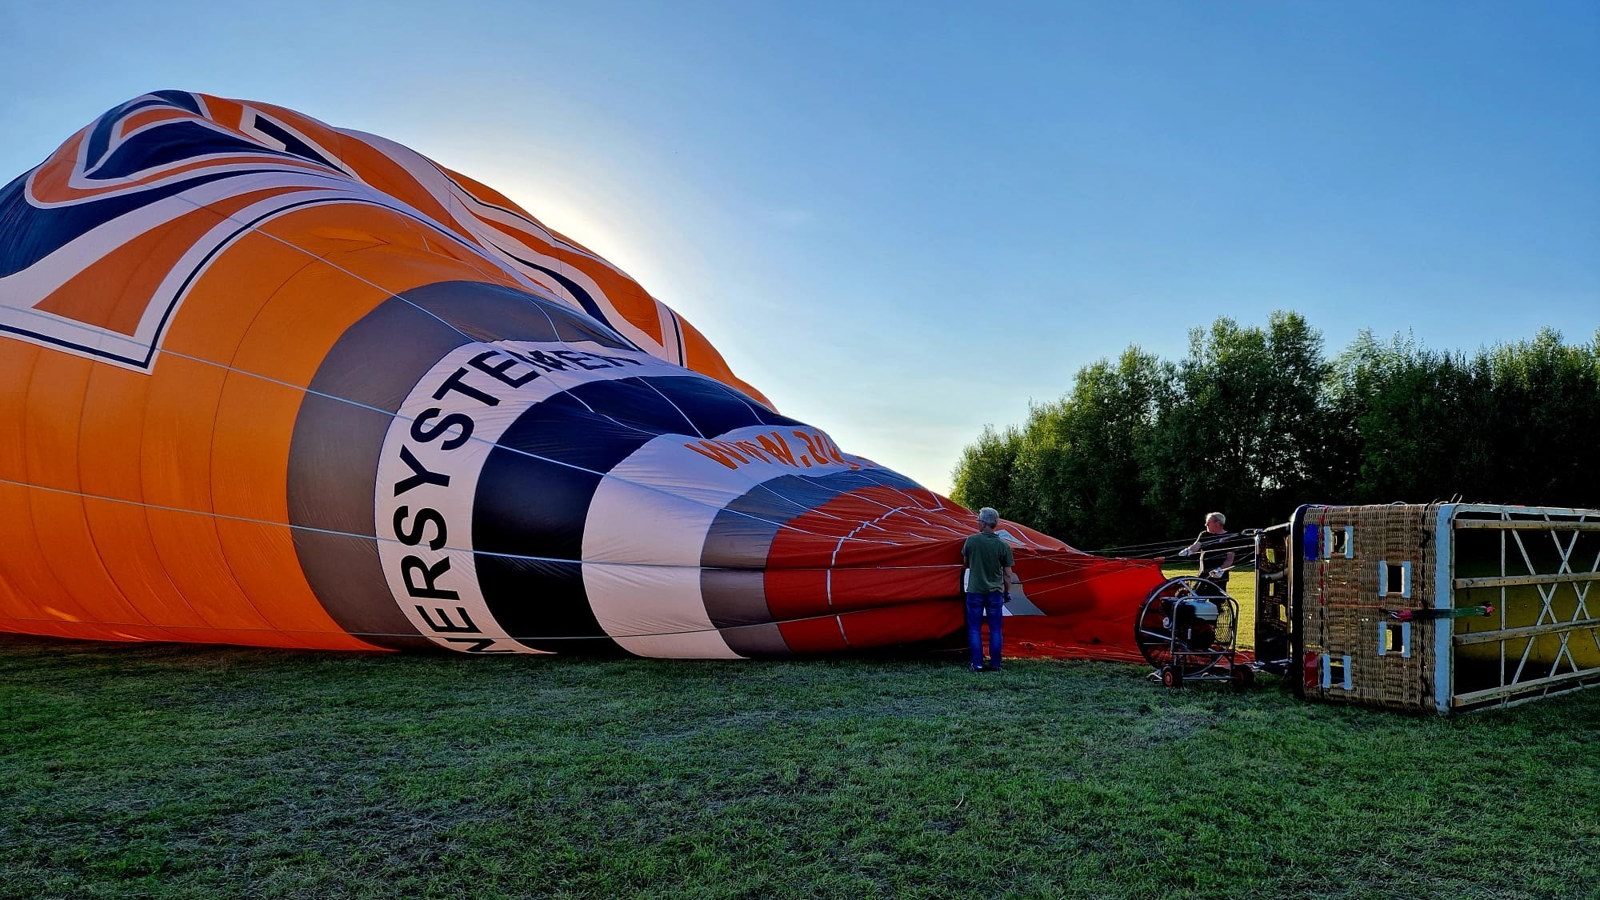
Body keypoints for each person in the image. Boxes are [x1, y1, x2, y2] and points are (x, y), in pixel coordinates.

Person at [962, 507, 1016, 672]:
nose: (977, 522)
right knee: (995, 629)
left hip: (975, 592)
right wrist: (1007, 592)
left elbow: (966, 563)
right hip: (995, 593)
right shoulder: (1003, 545)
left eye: (978, 520)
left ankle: (977, 664)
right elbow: (1008, 574)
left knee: (974, 628)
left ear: (984, 523)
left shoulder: (971, 541)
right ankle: (995, 664)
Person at [1179, 511, 1237, 593]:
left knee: (1217, 601)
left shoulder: (1229, 537)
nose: (1206, 525)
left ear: (1218, 523)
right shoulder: (1204, 534)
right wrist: (1188, 550)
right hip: (1203, 575)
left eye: (1208, 522)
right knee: (1196, 597)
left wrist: (1220, 569)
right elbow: (1196, 546)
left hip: (1219, 576)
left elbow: (1230, 559)